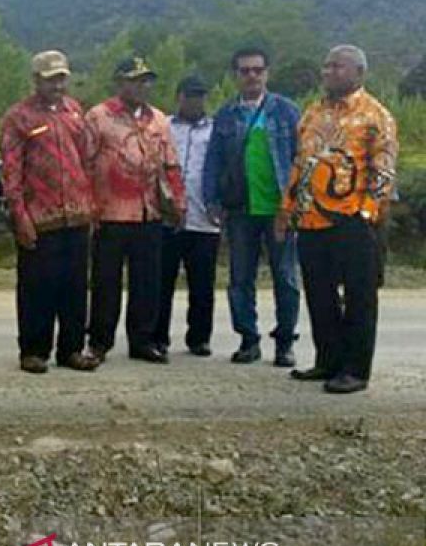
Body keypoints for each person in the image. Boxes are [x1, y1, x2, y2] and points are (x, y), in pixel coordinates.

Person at [279, 45, 397, 394]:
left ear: (359, 73)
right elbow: (299, 164)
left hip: (353, 221)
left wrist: (366, 215)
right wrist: (287, 210)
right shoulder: (312, 113)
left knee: (359, 296)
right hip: (311, 219)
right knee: (319, 294)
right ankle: (327, 360)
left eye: (338, 67)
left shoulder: (376, 116)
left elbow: (383, 173)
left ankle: (355, 370)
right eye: (326, 66)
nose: (329, 72)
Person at [0, 50, 99, 374]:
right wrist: (19, 215)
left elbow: (85, 160)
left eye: (61, 78)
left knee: (74, 287)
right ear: (36, 80)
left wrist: (91, 205)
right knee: (36, 287)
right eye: (50, 79)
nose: (57, 85)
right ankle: (33, 350)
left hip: (77, 214)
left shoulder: (74, 111)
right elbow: (11, 173)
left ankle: (71, 349)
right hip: (40, 217)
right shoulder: (18, 117)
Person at [85, 56, 186, 365]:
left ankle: (142, 340)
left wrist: (179, 202)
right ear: (120, 83)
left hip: (149, 212)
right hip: (110, 212)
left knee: (148, 281)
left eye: (146, 80)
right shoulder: (98, 117)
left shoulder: (158, 119)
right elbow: (85, 164)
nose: (142, 86)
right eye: (135, 80)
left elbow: (170, 163)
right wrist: (87, 208)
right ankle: (99, 341)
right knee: (106, 282)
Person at [203, 47, 301, 366]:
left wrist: (297, 202)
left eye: (257, 70)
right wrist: (211, 199)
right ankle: (248, 339)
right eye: (245, 70)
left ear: (267, 73)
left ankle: (285, 342)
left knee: (285, 278)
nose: (251, 76)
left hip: (279, 210)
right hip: (241, 210)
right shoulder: (225, 114)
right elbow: (214, 160)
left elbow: (301, 159)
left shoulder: (286, 111)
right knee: (240, 279)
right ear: (236, 75)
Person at [157, 76, 220, 357]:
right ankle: (157, 337)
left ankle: (199, 338)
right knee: (161, 281)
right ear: (178, 97)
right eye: (189, 95)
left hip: (204, 219)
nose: (195, 101)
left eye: (199, 96)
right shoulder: (163, 127)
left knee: (202, 285)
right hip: (167, 217)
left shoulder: (216, 131)